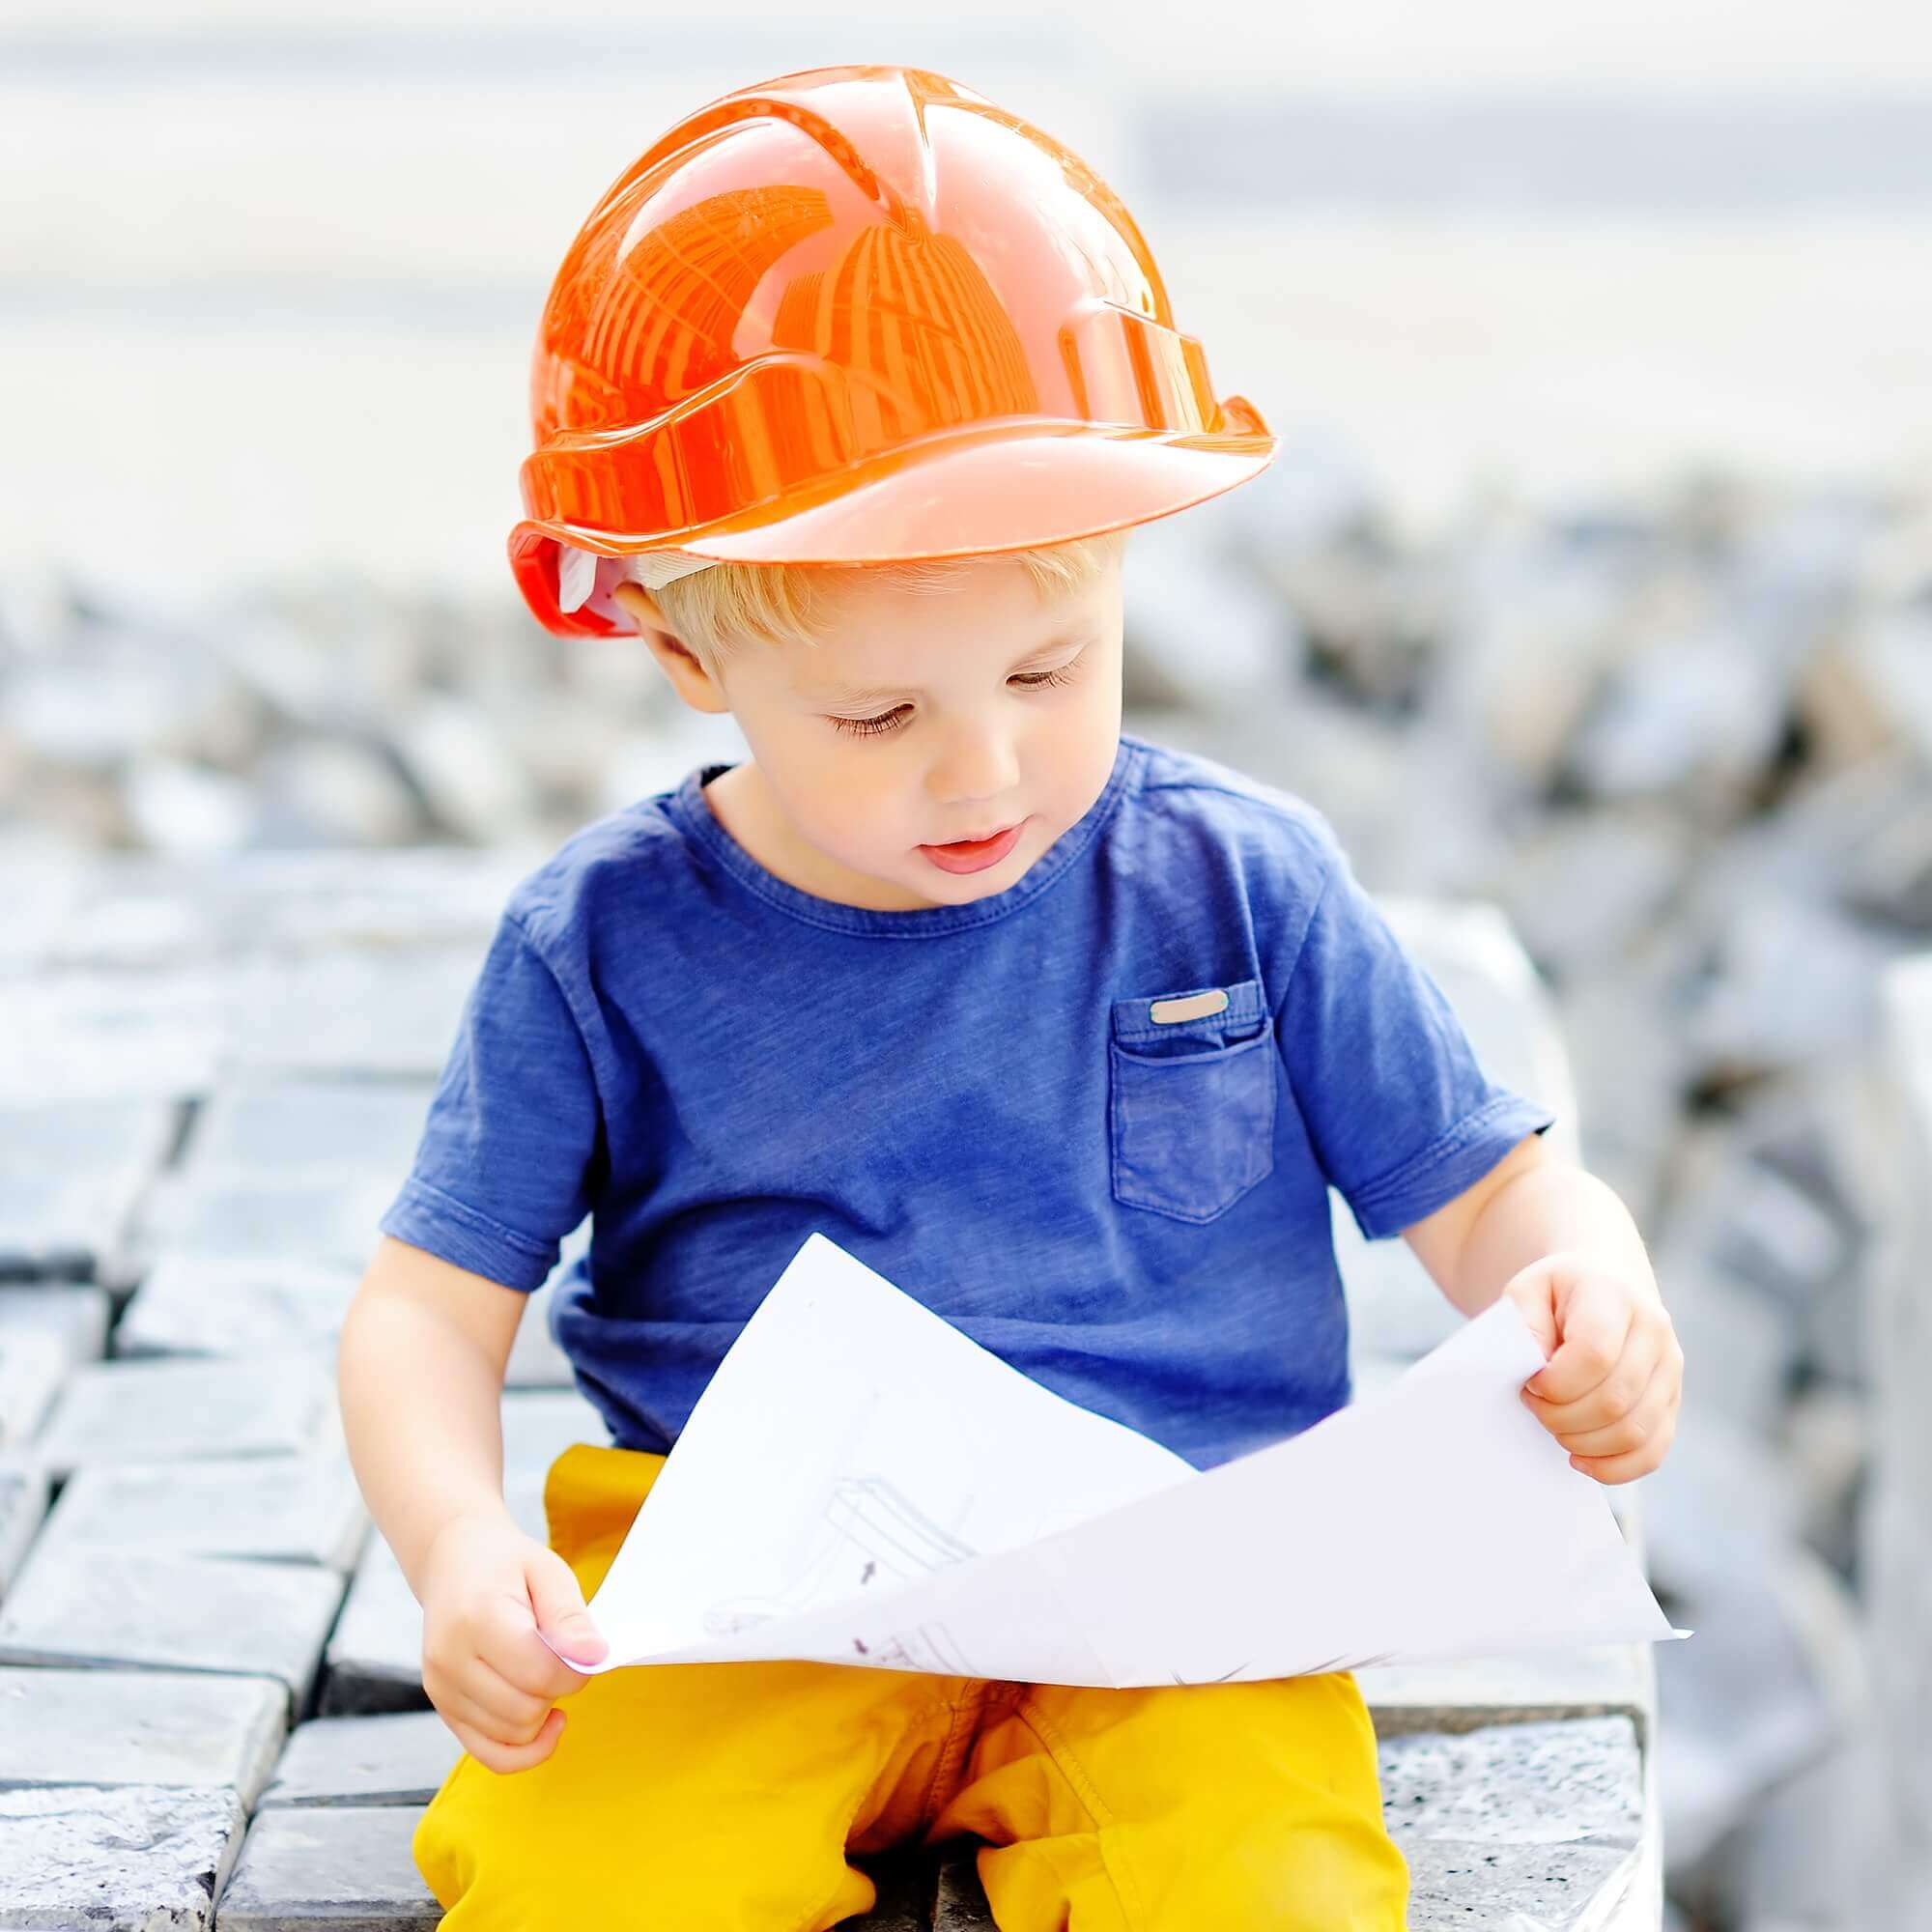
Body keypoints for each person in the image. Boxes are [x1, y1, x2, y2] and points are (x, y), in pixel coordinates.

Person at [336, 63, 1682, 1932]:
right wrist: (460, 1548)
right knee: (591, 1890)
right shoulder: (603, 943)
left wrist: (1590, 1289)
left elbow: (1488, 1193)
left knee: (1269, 1897)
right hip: (744, 1589)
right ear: (676, 639)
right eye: (877, 713)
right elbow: (424, 1310)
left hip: (1180, 1584)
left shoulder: (1240, 881)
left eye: (1052, 672)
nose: (981, 773)